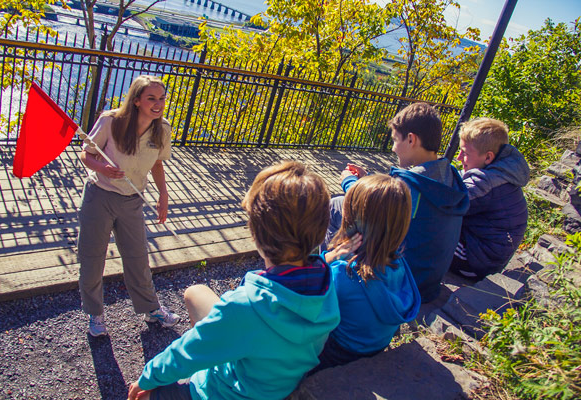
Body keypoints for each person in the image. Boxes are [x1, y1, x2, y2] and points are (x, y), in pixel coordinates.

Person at [127, 161, 340, 400]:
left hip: (226, 393)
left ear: (256, 235)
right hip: (279, 381)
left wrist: (147, 377)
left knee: (143, 396)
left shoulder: (245, 306)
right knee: (195, 293)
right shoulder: (326, 281)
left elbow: (188, 351)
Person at [326, 102, 469, 303]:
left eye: (395, 140)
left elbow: (373, 207)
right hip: (428, 279)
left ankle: (325, 273)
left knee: (336, 205)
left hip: (402, 278)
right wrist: (368, 181)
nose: (393, 148)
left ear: (411, 139)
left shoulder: (412, 184)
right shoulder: (449, 176)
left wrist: (349, 182)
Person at [78, 75, 180, 337]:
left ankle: (151, 309)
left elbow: (157, 163)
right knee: (92, 257)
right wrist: (103, 168)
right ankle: (95, 314)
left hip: (132, 201)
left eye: (161, 98)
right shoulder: (111, 121)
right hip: (100, 196)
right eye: (151, 99)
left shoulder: (163, 128)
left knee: (137, 258)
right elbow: (85, 154)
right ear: (136, 101)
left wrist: (163, 195)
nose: (158, 104)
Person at [312, 174, 421, 373]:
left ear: (352, 221)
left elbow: (307, 296)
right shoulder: (399, 263)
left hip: (338, 352)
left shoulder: (342, 274)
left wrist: (329, 258)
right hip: (376, 346)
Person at [451, 117, 530, 280]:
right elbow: (460, 180)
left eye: (465, 153)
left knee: (425, 227)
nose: (459, 158)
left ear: (488, 157)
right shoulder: (501, 173)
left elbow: (446, 205)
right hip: (488, 257)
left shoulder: (485, 182)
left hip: (473, 260)